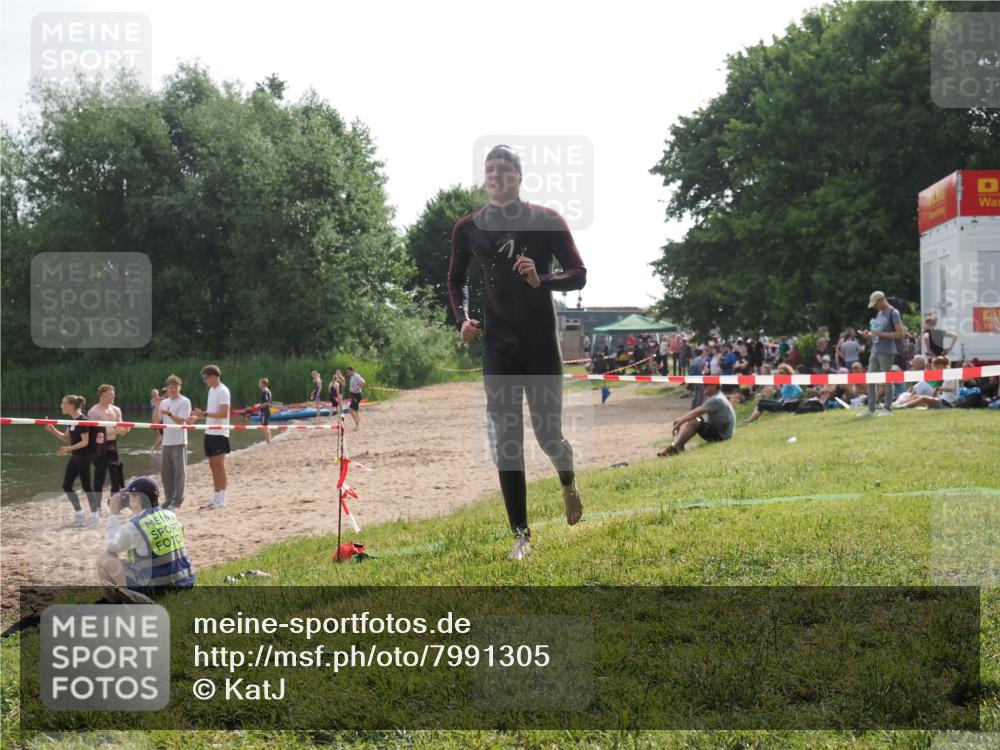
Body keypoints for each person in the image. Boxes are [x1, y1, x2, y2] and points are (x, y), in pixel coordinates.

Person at [447, 143, 586, 560]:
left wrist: (541, 278)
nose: (496, 177)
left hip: (540, 343)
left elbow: (579, 274)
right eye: (489, 171)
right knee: (507, 440)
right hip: (497, 345)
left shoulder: (545, 220)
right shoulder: (468, 228)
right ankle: (520, 535)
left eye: (504, 171)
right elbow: (455, 282)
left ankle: (568, 481)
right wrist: (463, 321)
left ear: (519, 177)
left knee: (548, 437)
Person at [96, 476, 195, 603]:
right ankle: (119, 596)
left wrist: (114, 516)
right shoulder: (170, 515)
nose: (128, 499)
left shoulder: (137, 525)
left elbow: (111, 546)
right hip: (185, 582)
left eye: (130, 496)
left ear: (137, 499)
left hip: (158, 588)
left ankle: (117, 600)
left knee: (104, 558)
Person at [46, 395, 99, 527]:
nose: (61, 406)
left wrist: (68, 449)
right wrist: (53, 430)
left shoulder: (83, 420)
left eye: (63, 403)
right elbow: (65, 438)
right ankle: (80, 514)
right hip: (76, 455)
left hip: (84, 456)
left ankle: (95, 515)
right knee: (67, 485)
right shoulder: (72, 421)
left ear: (71, 405)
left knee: (86, 485)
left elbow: (85, 442)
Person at [858, 291, 907, 417]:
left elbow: (900, 334)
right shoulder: (879, 313)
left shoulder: (894, 313)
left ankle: (888, 408)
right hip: (876, 349)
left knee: (887, 380)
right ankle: (871, 409)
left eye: (875, 304)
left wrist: (881, 334)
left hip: (887, 351)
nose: (874, 307)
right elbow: (876, 335)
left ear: (881, 300)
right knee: (870, 378)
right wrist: (869, 336)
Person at [191, 364, 231, 510]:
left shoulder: (223, 390)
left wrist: (205, 414)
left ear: (213, 376)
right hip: (209, 431)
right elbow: (212, 412)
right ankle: (216, 497)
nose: (204, 381)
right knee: (212, 466)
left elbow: (223, 414)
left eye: (205, 378)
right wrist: (199, 416)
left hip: (220, 432)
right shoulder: (211, 391)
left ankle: (222, 499)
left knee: (219, 466)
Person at [658, 382, 735, 456]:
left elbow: (696, 412)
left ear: (714, 386)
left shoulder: (716, 399)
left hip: (722, 437)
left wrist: (679, 422)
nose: (703, 386)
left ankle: (677, 448)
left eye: (706, 385)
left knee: (694, 421)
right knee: (695, 419)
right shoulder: (717, 396)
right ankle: (677, 446)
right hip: (723, 433)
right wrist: (681, 420)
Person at [88, 384, 129, 506]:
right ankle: (97, 507)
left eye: (113, 394)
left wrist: (125, 430)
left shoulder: (116, 409)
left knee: (116, 477)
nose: (113, 396)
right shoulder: (93, 411)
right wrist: (114, 431)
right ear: (102, 395)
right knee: (99, 478)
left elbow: (121, 427)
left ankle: (114, 504)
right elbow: (93, 434)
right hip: (99, 446)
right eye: (110, 394)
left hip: (112, 445)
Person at [156, 375, 192, 508]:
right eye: (171, 387)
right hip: (166, 442)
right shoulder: (164, 402)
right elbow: (156, 420)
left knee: (179, 473)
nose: (173, 389)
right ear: (167, 389)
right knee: (166, 474)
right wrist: (156, 406)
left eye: (176, 387)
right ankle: (169, 498)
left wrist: (169, 414)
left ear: (180, 387)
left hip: (179, 441)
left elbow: (182, 420)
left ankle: (177, 500)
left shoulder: (185, 401)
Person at [258, 377, 273, 444]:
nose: (258, 384)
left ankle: (268, 441)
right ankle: (268, 440)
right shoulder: (267, 391)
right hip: (265, 411)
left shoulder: (265, 392)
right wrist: (259, 405)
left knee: (264, 426)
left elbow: (267, 402)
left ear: (263, 384)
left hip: (265, 411)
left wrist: (259, 406)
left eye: (260, 383)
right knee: (265, 426)